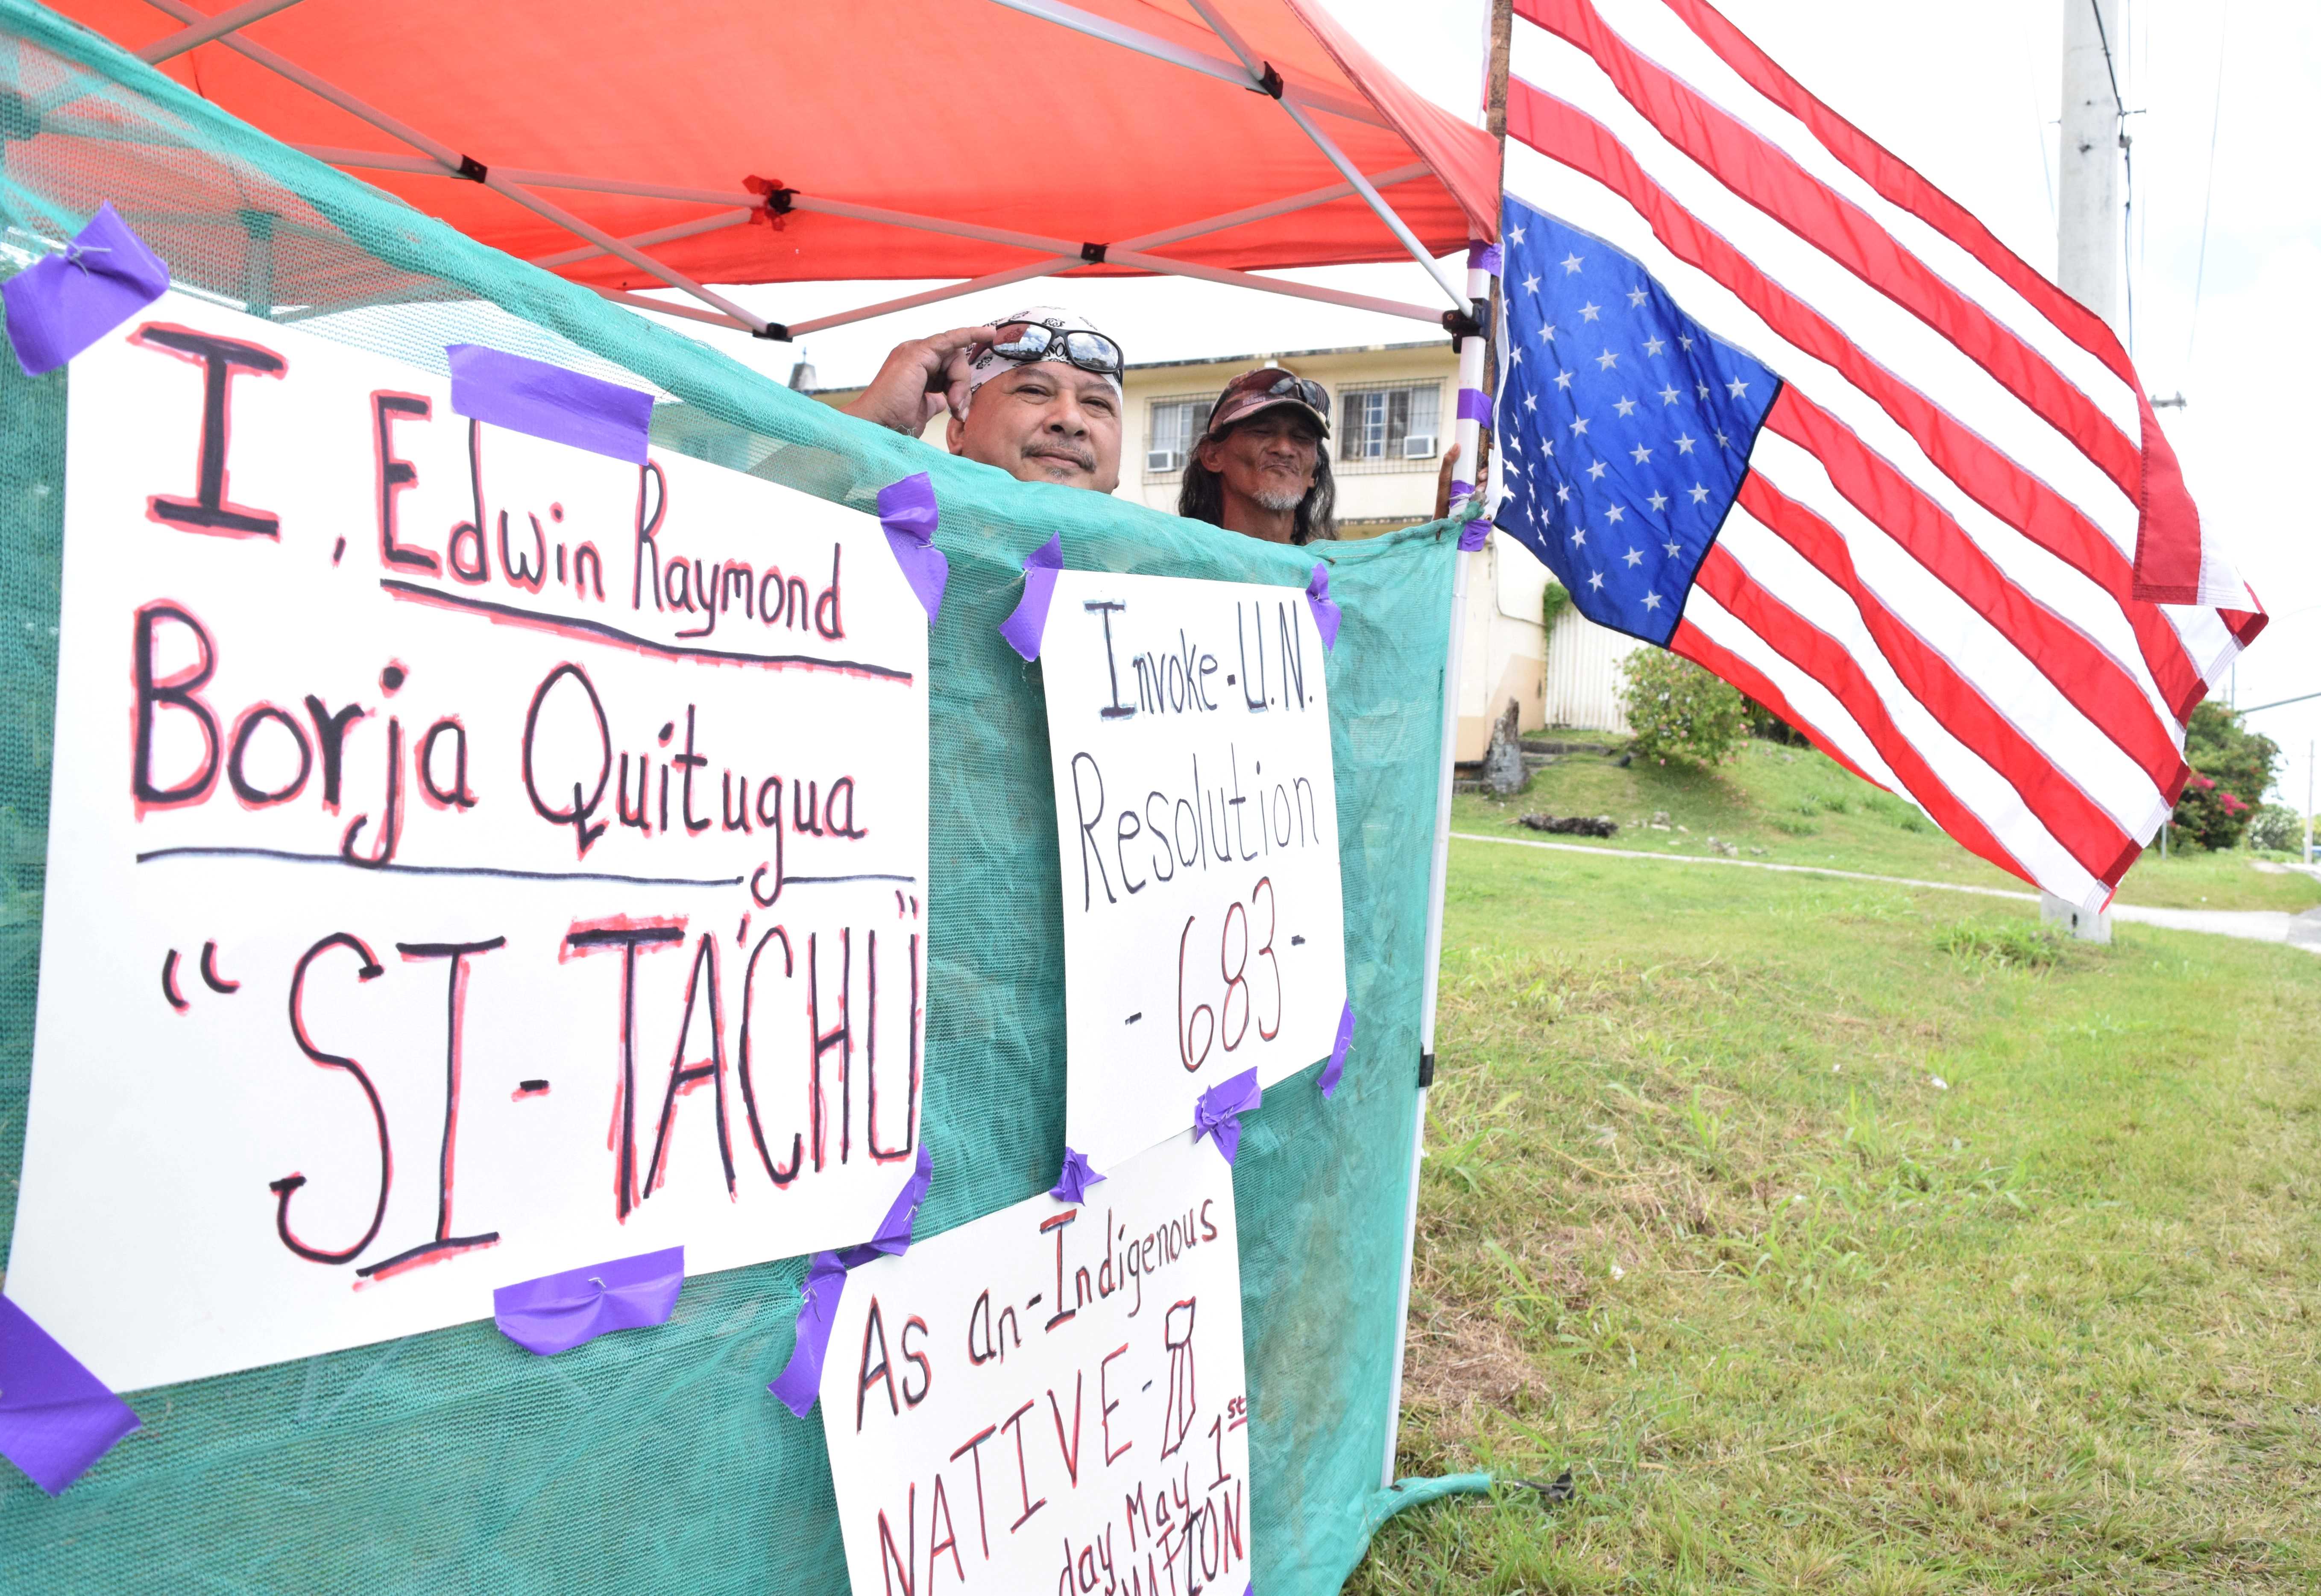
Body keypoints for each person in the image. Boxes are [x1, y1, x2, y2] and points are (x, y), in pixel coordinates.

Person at [840, 307, 1125, 492]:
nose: (1071, 420)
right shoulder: (884, 539)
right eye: (1034, 391)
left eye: (1097, 404)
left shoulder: (1160, 581)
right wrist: (870, 427)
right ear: (961, 430)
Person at [1177, 367, 1337, 545]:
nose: (1284, 449)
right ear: (1213, 456)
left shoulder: (1324, 571)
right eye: (1262, 432)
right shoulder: (1174, 565)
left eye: (1302, 438)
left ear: (1314, 472)